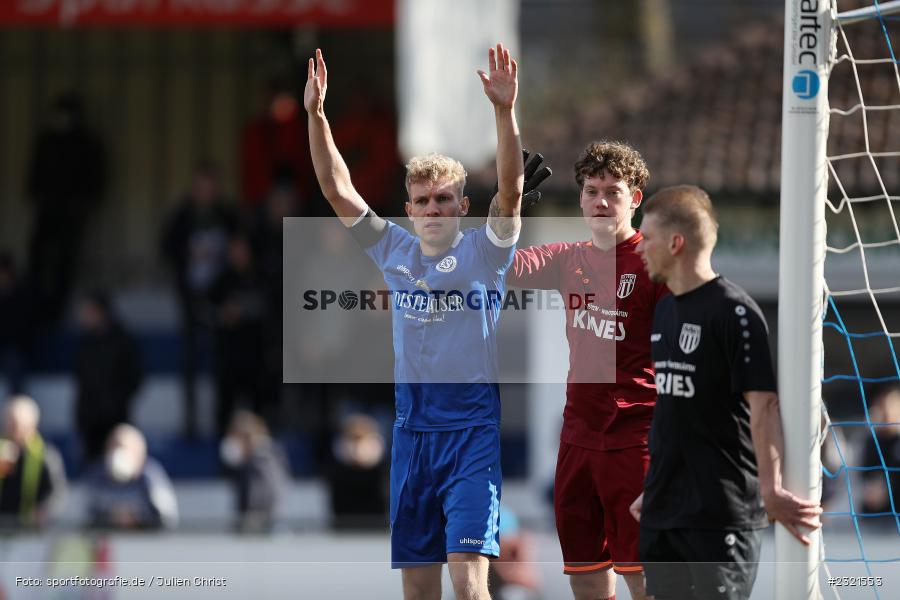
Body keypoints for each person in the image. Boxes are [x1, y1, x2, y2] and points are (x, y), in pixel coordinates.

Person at [304, 43, 523, 600]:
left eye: (443, 200)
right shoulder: (395, 251)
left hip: (471, 438)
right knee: (420, 593)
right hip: (411, 438)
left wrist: (503, 112)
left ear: (461, 208)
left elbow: (513, 191)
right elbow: (337, 189)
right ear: (409, 208)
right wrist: (316, 116)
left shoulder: (487, 254)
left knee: (469, 584)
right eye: (422, 201)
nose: (431, 209)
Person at [629, 185, 823, 600]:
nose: (640, 247)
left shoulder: (735, 311)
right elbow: (676, 406)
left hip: (719, 516)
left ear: (676, 242)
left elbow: (763, 405)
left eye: (646, 237)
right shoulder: (664, 309)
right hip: (663, 511)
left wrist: (770, 489)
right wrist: (655, 485)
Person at [507, 141, 663, 600]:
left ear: (635, 198)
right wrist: (507, 206)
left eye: (613, 191)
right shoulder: (565, 258)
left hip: (636, 440)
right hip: (578, 438)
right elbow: (497, 265)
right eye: (592, 190)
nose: (601, 201)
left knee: (644, 578)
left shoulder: (656, 265)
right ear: (580, 198)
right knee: (587, 580)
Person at [160, 162, 237, 438]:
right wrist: (189, 254)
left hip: (221, 299)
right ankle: (190, 424)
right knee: (190, 362)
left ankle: (222, 426)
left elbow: (240, 253)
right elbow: (167, 248)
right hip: (190, 298)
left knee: (225, 363)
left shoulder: (227, 216)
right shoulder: (183, 215)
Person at [74, 291, 143, 463]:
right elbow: (81, 377)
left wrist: (116, 400)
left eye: (90, 311)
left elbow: (134, 376)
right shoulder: (86, 342)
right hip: (90, 418)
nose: (85, 316)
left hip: (115, 416)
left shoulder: (123, 341)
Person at [84, 424, 178, 530]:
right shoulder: (97, 475)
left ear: (139, 454)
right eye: (113, 447)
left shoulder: (150, 476)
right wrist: (111, 518)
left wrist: (138, 518)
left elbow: (167, 518)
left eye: (123, 448)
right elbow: (89, 517)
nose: (117, 454)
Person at [0, 395, 66, 529]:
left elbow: (57, 494)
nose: (10, 430)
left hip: (31, 532)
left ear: (31, 426)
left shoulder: (46, 455)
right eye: (8, 423)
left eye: (15, 425)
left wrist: (43, 511)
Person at [220, 410, 289, 533]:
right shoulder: (248, 462)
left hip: (263, 526)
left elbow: (266, 496)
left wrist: (248, 522)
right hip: (254, 524)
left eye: (236, 437)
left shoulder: (264, 461)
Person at [859, 385, 900, 518]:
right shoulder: (871, 441)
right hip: (873, 517)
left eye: (888, 407)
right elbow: (864, 474)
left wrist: (889, 490)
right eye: (881, 406)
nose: (884, 412)